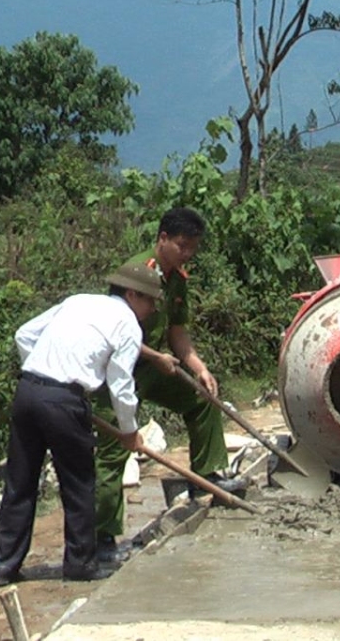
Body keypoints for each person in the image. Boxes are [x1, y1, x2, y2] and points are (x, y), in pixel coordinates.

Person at [0, 264, 162, 587]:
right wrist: (129, 431)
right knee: (80, 484)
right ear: (132, 294)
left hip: (27, 392)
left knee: (19, 483)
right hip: (65, 402)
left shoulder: (78, 301)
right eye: (150, 301)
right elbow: (121, 384)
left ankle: (3, 568)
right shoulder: (127, 325)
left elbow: (23, 334)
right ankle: (80, 564)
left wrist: (42, 373)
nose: (152, 310)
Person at [94, 208, 244, 564]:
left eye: (193, 247)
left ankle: (207, 475)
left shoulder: (177, 279)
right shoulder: (134, 273)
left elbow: (177, 332)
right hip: (120, 369)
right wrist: (154, 355)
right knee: (115, 452)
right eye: (182, 245)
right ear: (162, 239)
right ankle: (101, 539)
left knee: (201, 396)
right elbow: (117, 331)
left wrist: (199, 368)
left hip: (154, 366)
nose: (187, 253)